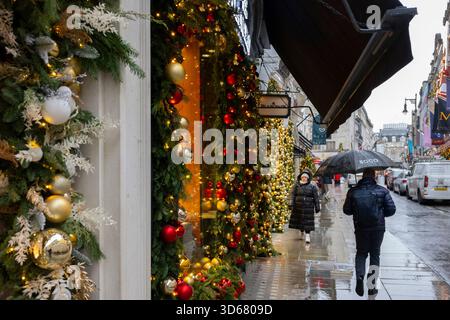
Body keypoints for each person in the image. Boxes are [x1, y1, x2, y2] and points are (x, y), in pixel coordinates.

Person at [343, 168, 396, 297]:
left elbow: (346, 211)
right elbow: (391, 210)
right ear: (374, 176)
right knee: (375, 254)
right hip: (377, 228)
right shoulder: (382, 191)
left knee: (361, 254)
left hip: (361, 228)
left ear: (362, 176)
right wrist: (381, 213)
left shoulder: (353, 191)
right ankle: (372, 286)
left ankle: (360, 277)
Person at [289, 170, 320, 244]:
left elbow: (316, 197)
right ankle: (302, 230)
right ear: (300, 178)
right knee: (300, 220)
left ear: (308, 178)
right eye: (303, 177)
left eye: (305, 177)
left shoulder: (312, 187)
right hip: (298, 206)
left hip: (308, 207)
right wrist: (291, 204)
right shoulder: (296, 186)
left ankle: (308, 235)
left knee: (308, 221)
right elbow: (293, 195)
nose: (304, 178)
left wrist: (317, 207)